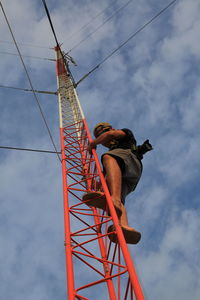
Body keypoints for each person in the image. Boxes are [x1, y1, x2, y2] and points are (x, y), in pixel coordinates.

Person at [82, 122, 152, 244]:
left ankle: (114, 200)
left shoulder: (124, 134)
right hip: (128, 176)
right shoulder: (113, 159)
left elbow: (111, 134)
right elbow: (101, 185)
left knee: (108, 158)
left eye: (102, 134)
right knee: (114, 192)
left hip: (130, 161)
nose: (103, 139)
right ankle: (124, 226)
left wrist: (93, 143)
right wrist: (87, 177)